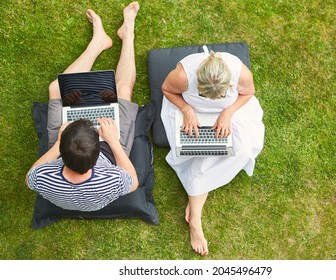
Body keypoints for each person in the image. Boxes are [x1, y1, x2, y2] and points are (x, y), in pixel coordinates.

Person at [26, 2, 141, 212]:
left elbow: (29, 178)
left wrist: (58, 142)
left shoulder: (43, 177)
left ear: (61, 151)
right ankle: (128, 34)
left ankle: (98, 43)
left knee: (56, 89)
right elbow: (133, 183)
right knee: (122, 89)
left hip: (67, 150)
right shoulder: (111, 178)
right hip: (107, 148)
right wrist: (114, 143)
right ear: (98, 155)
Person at [161, 47, 265, 255]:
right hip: (191, 112)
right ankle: (195, 220)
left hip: (231, 111)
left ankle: (196, 197)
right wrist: (187, 109)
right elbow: (167, 90)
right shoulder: (183, 76)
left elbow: (248, 93)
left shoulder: (241, 74)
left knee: (244, 149)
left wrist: (227, 112)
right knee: (202, 153)